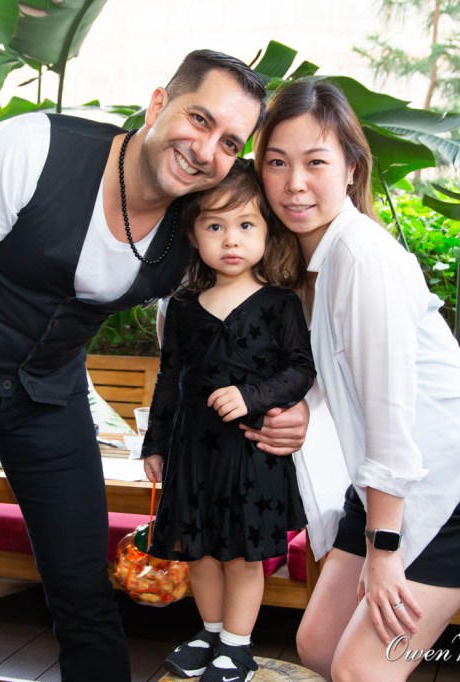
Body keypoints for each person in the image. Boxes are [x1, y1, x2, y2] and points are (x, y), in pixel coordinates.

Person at [0, 50, 276, 682]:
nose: (206, 151)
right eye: (199, 119)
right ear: (158, 103)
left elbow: (267, 295)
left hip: (49, 395)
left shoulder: (199, 222)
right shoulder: (32, 149)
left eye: (230, 142)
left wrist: (286, 401)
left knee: (84, 585)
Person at [254, 77, 460, 681]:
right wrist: (300, 409)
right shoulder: (312, 261)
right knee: (318, 645)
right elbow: (338, 378)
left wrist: (384, 553)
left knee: (360, 669)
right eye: (276, 162)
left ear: (351, 168)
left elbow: (390, 416)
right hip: (391, 478)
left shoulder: (363, 258)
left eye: (315, 162)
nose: (294, 184)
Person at [140, 159, 315, 681]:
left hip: (249, 452)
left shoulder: (280, 304)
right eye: (214, 226)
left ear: (267, 232)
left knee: (241, 555)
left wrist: (252, 396)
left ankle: (238, 645)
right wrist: (155, 444)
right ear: (194, 236)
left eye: (245, 224)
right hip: (191, 452)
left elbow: (300, 369)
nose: (231, 239)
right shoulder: (183, 306)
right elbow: (169, 377)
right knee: (198, 552)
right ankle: (211, 632)